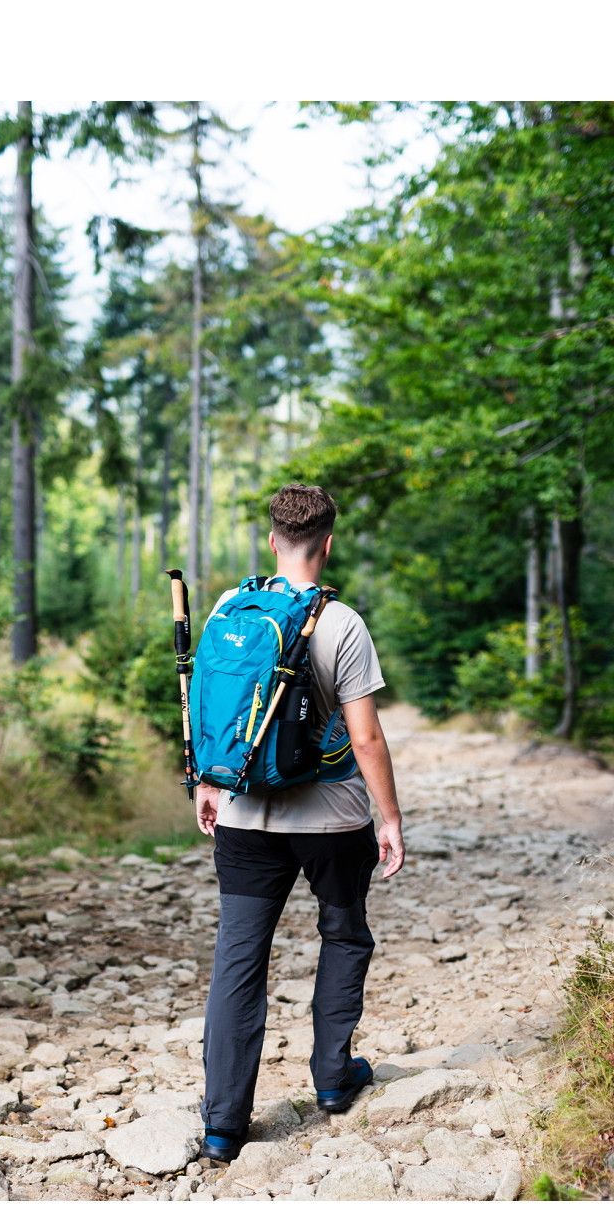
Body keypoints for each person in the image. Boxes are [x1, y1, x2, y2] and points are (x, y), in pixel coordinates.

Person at [194, 483, 406, 1162]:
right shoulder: (342, 623)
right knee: (343, 936)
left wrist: (207, 782)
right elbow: (365, 738)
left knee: (238, 961)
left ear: (272, 540)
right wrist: (389, 818)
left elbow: (211, 707)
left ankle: (224, 1124)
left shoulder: (229, 608)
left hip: (245, 816)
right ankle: (334, 1080)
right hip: (334, 823)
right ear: (328, 543)